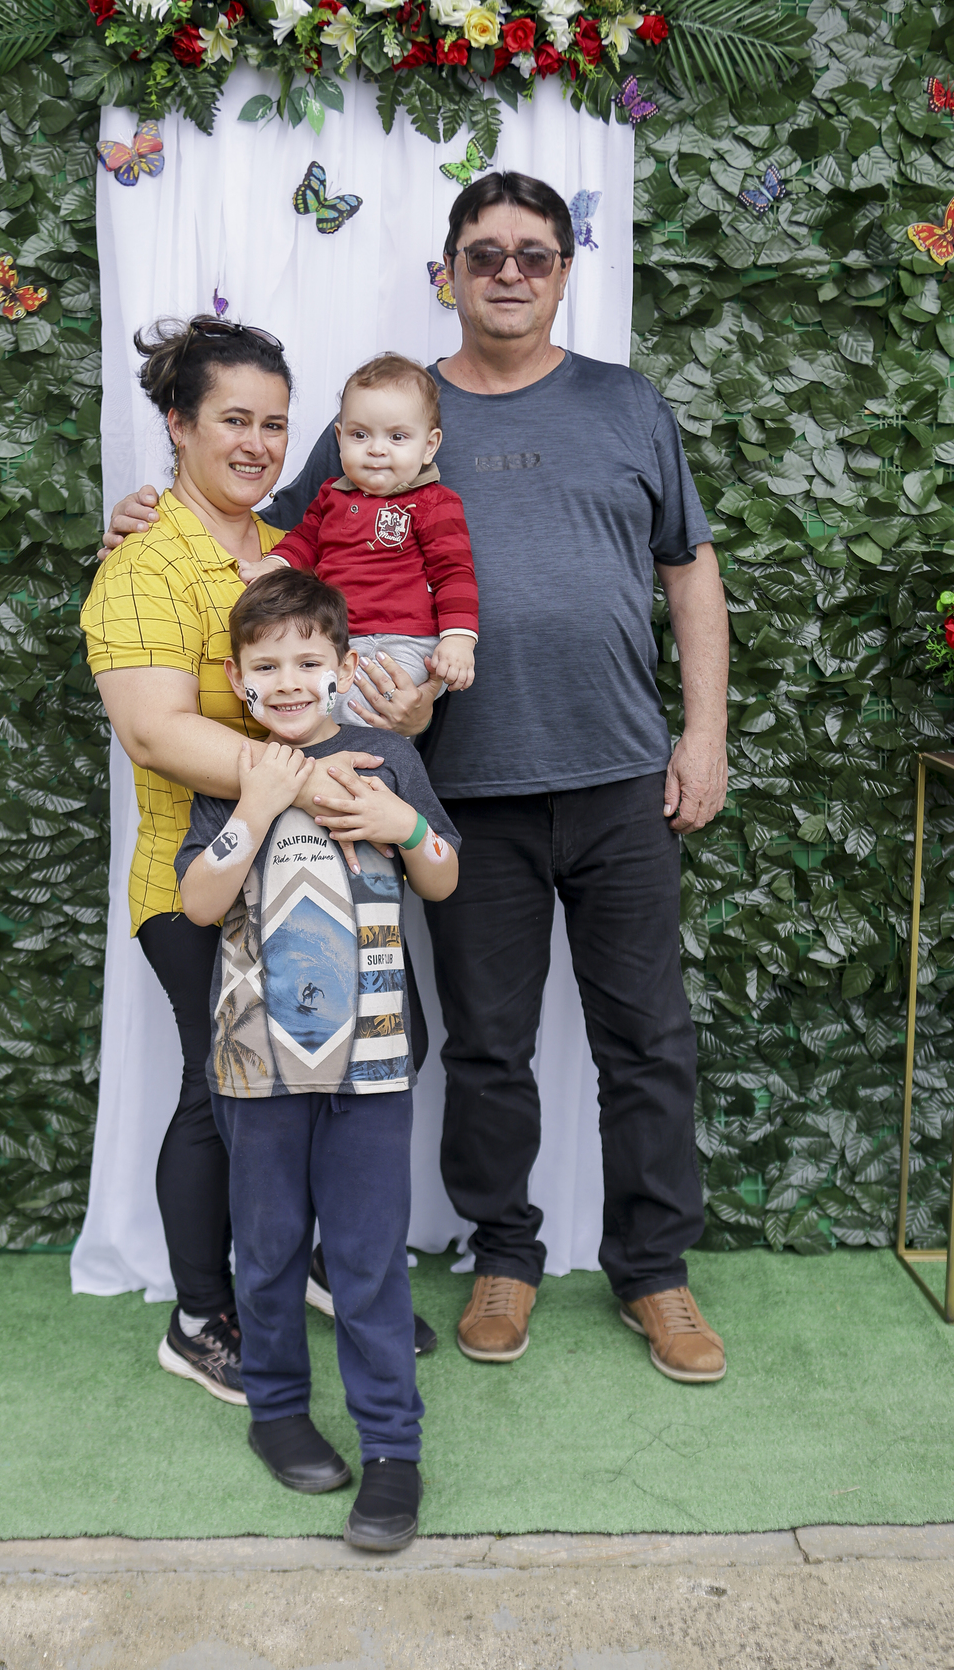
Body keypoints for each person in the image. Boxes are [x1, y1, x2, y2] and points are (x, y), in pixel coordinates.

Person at [105, 169, 731, 1385]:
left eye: (535, 253)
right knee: (488, 1044)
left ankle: (656, 1273)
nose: (510, 272)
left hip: (619, 774)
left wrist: (702, 735)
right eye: (484, 252)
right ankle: (505, 1257)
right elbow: (262, 536)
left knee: (648, 1038)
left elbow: (689, 569)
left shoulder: (626, 404)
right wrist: (148, 514)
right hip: (463, 787)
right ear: (448, 272)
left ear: (566, 270)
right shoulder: (384, 410)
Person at [80, 317, 433, 1409]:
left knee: (378, 1053)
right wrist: (304, 782)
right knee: (226, 1094)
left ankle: (322, 1262)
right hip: (200, 885)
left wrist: (407, 710)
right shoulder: (144, 565)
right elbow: (154, 733)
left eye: (275, 423)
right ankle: (201, 1318)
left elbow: (360, 674)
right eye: (233, 419)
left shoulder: (292, 550)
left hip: (327, 883)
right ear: (177, 425)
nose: (258, 443)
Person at [175, 569, 460, 1552]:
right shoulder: (235, 771)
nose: (289, 681)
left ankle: (393, 1451)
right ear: (238, 678)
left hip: (371, 1067)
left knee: (369, 1262)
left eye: (308, 660)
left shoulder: (388, 759)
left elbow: (444, 875)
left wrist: (404, 827)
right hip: (257, 1070)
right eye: (266, 666)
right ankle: (278, 1413)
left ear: (344, 665)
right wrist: (255, 807)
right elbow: (199, 904)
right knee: (267, 1255)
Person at [240, 352, 479, 717]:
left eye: (397, 436)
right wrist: (275, 563)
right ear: (340, 438)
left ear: (429, 446)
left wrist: (458, 638)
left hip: (404, 639)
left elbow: (454, 573)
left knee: (356, 710)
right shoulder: (331, 496)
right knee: (305, 704)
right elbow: (305, 540)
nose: (376, 449)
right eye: (360, 434)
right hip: (335, 637)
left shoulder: (433, 503)